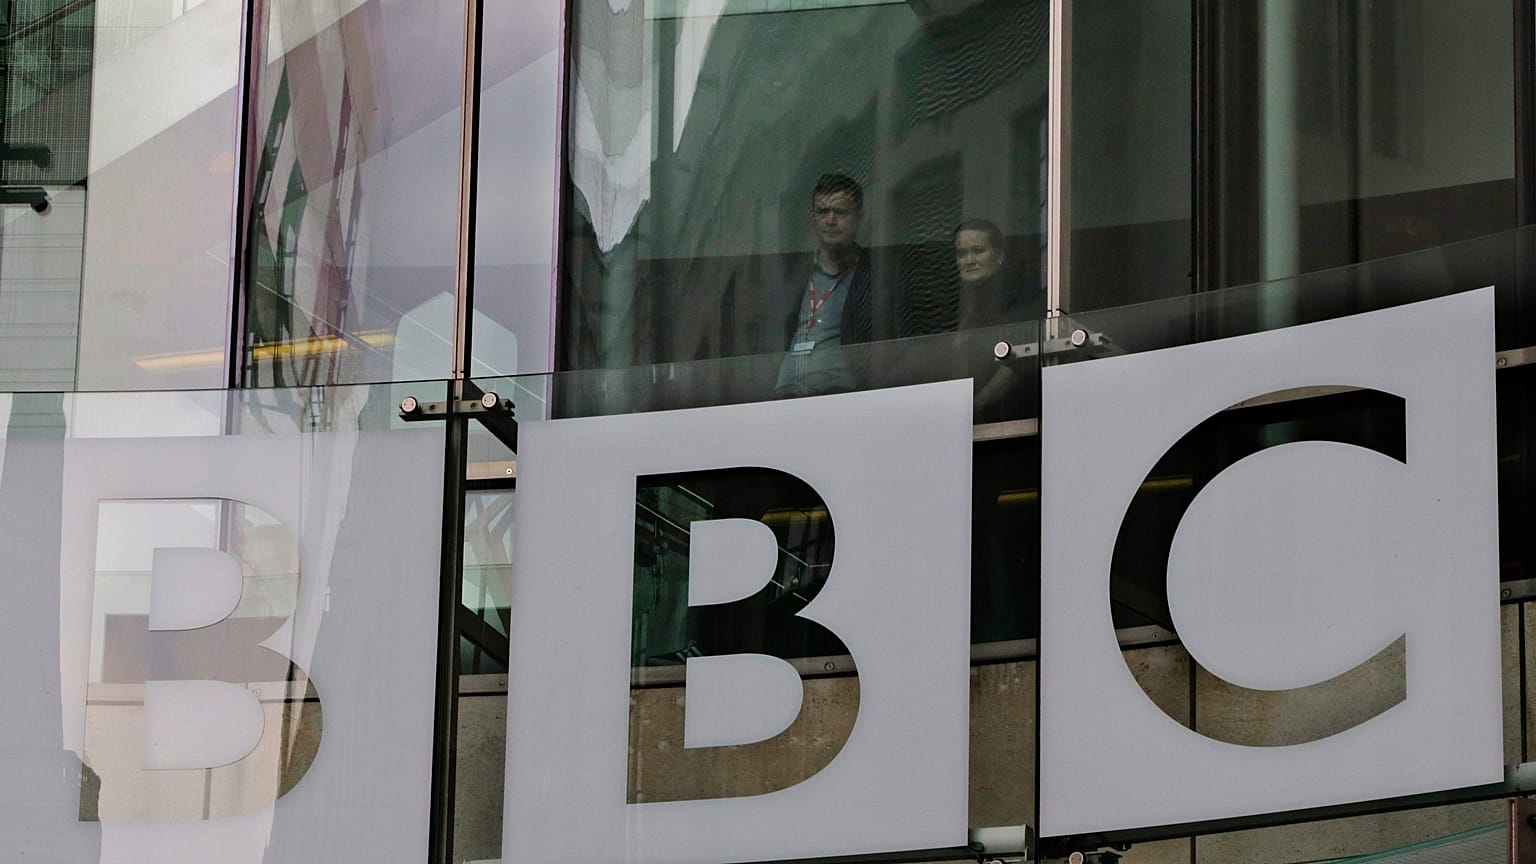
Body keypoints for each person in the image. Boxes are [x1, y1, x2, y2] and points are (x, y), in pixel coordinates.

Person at [774, 174, 878, 398]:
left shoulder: (877, 275)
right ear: (813, 218)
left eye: (840, 212)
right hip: (785, 397)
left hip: (843, 399)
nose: (830, 220)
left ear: (859, 218)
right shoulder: (792, 274)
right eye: (823, 212)